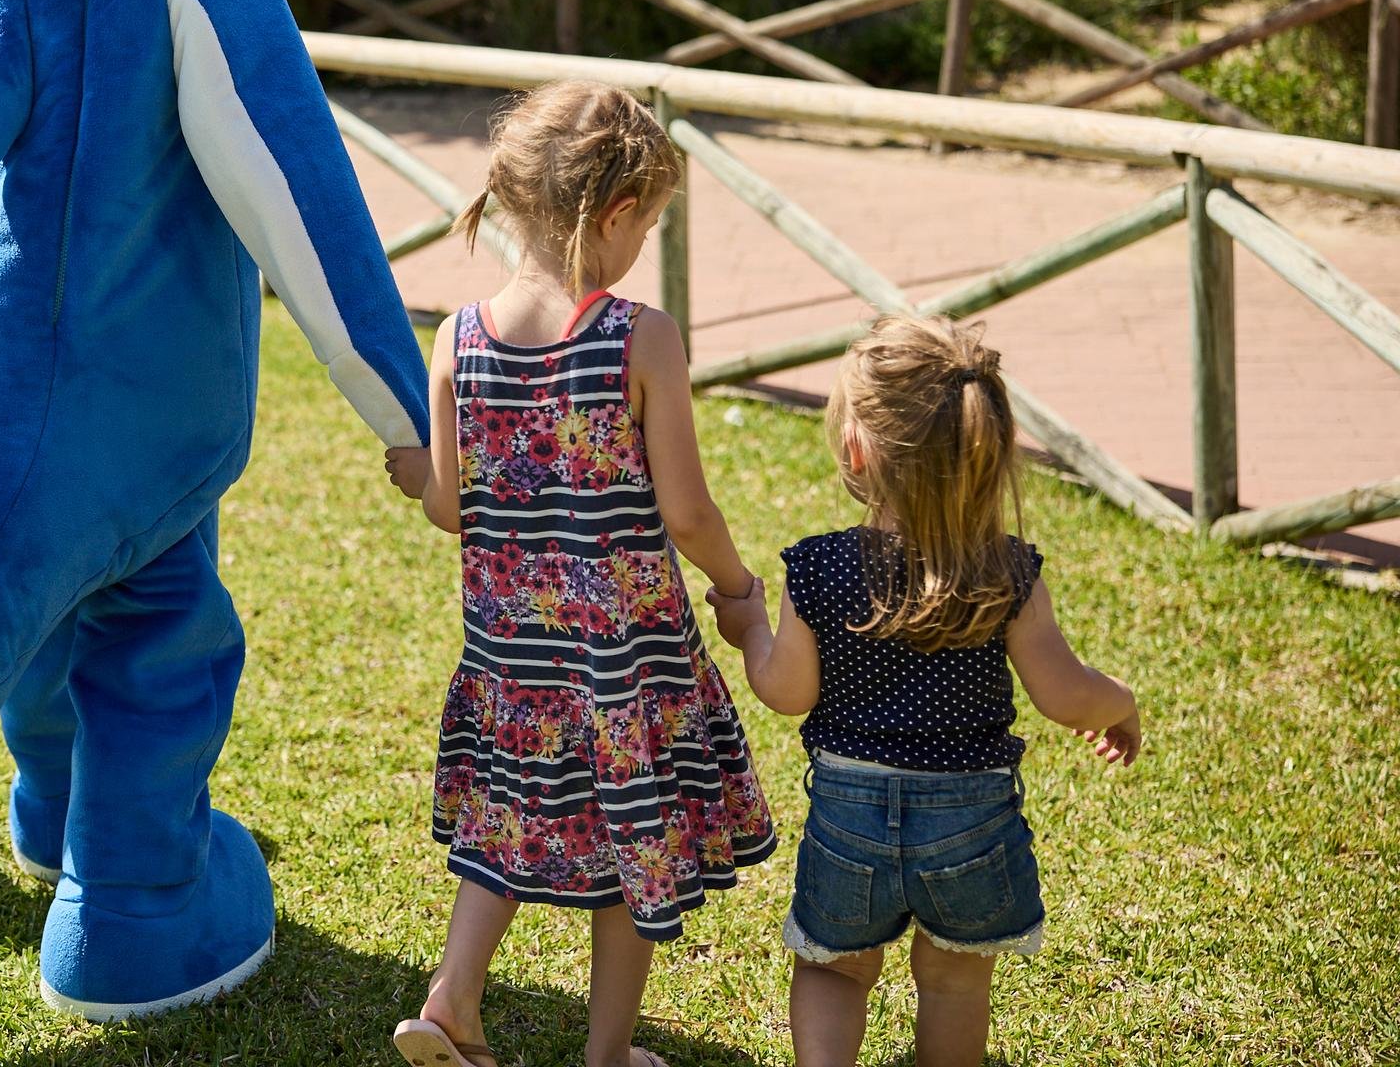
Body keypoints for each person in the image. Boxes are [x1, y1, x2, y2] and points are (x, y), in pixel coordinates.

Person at [387, 81, 775, 1067]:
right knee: (630, 851)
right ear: (615, 215)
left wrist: (416, 475)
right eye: (648, 222)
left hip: (510, 657)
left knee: (506, 821)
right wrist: (737, 586)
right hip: (625, 661)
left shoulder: (457, 339)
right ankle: (605, 1057)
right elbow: (686, 511)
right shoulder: (640, 337)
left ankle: (451, 1002)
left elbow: (449, 505)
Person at [705, 314, 1140, 1067]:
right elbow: (1065, 694)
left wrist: (750, 632)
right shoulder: (1007, 571)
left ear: (856, 450)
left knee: (834, 971)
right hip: (973, 822)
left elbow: (785, 690)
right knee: (955, 984)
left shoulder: (821, 568)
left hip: (849, 817)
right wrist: (1120, 702)